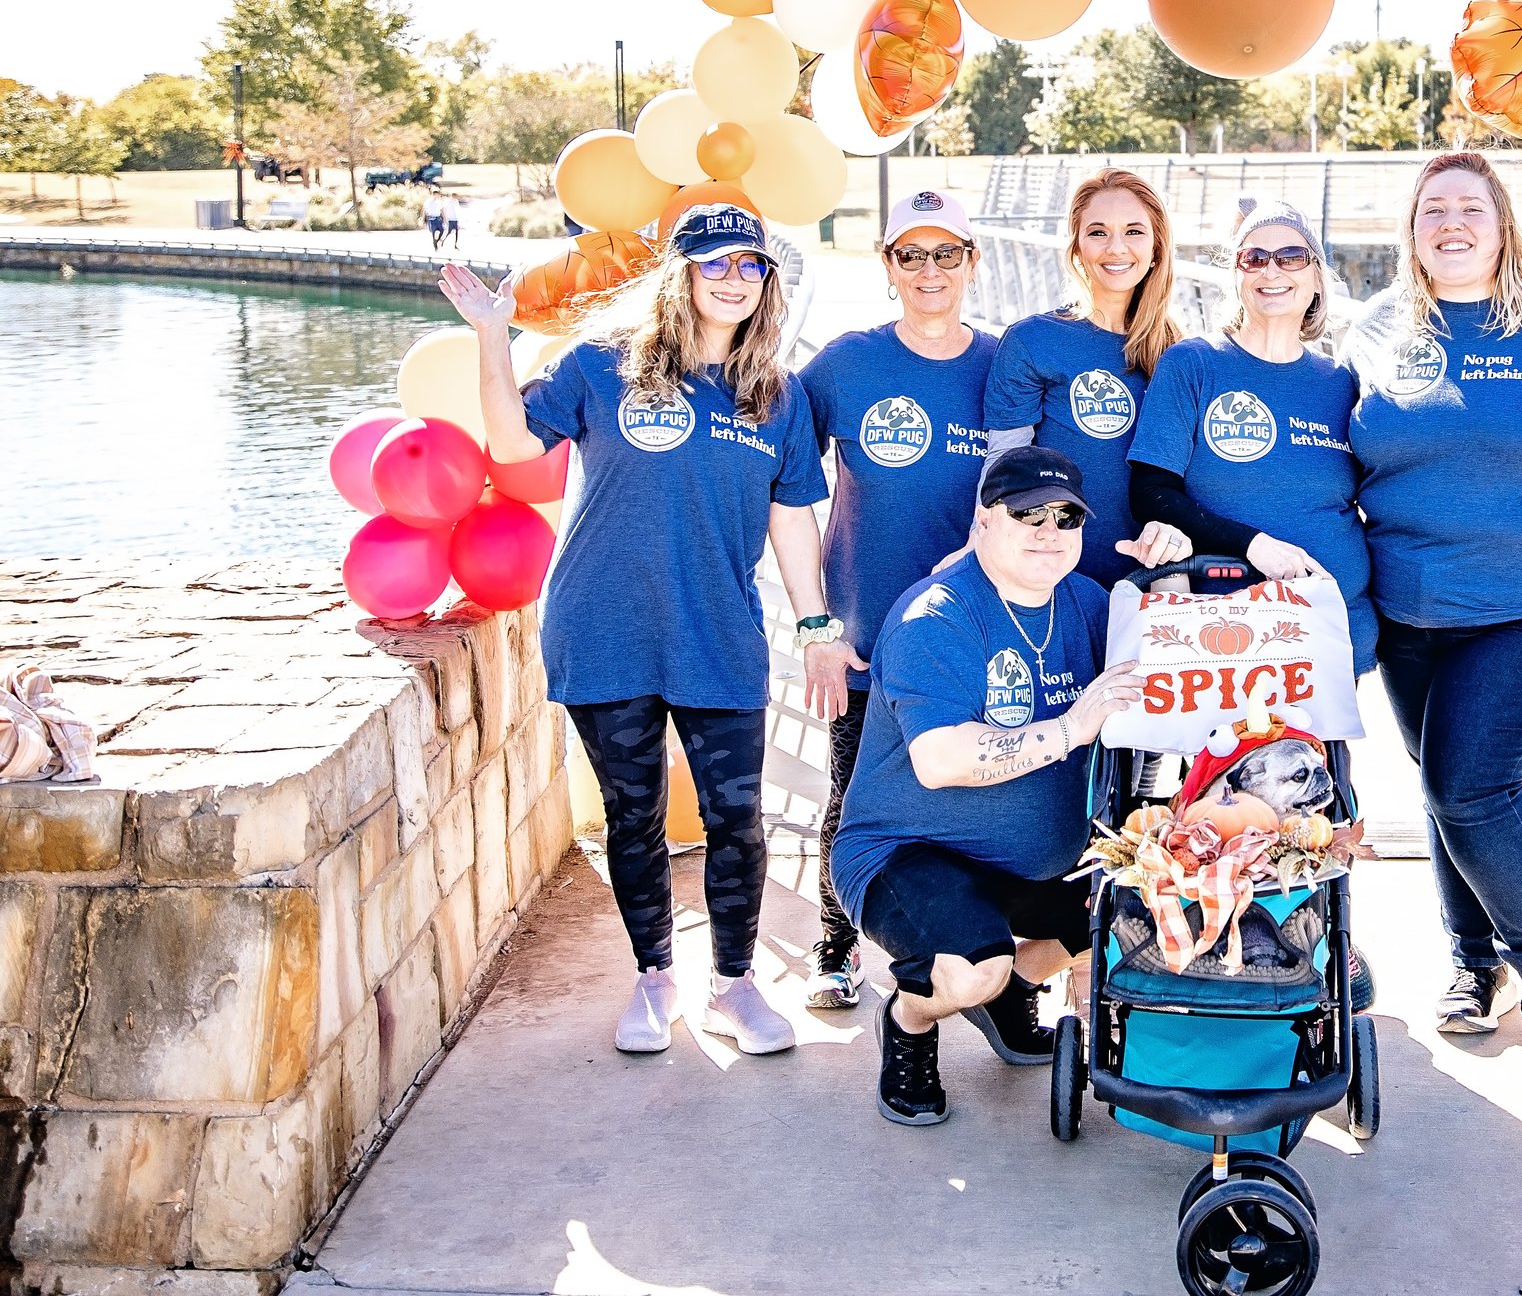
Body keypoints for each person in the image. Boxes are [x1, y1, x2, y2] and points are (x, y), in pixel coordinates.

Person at [439, 201, 844, 1058]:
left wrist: (815, 624)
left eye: (750, 265)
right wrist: (491, 332)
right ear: (681, 274)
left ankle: (733, 987)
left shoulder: (775, 393)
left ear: (767, 282)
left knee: (738, 819)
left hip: (718, 630)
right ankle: (654, 978)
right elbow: (512, 445)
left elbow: (794, 520)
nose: (734, 279)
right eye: (715, 263)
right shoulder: (599, 367)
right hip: (603, 625)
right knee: (636, 817)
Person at [1343, 151, 1522, 1058]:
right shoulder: (1374, 330)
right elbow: (1325, 462)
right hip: (1412, 608)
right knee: (1442, 789)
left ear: (1503, 223)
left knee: (1472, 786)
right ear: (1411, 230)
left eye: (1470, 207)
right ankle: (1473, 960)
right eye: (1432, 210)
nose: (1451, 224)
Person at [829, 447, 1189, 1126]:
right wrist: (1071, 728)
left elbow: (1166, 674)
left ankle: (1011, 988)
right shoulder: (936, 614)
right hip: (910, 853)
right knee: (967, 965)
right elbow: (939, 759)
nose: (1048, 532)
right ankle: (910, 1019)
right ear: (985, 521)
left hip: (1036, 862)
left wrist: (1166, 572)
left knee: (1147, 920)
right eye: (1027, 514)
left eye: (1065, 518)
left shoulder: (1088, 601)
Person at [793, 188, 994, 1011]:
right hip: (865, 633)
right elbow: (777, 482)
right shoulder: (845, 364)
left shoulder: (1004, 367)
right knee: (855, 795)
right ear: (888, 267)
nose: (930, 270)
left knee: (986, 793)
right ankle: (834, 949)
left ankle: (987, 957)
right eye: (911, 254)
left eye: (947, 253)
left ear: (972, 263)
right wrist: (815, 624)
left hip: (978, 634)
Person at [1128, 199, 1376, 674]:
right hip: (1223, 634)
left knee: (1321, 754)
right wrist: (1255, 544)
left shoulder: (1340, 382)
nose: (1271, 270)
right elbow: (1151, 494)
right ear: (1237, 275)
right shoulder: (1195, 364)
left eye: (1291, 256)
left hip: (1334, 633)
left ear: (1317, 276)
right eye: (1254, 258)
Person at [986, 168, 1181, 588]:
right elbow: (1004, 465)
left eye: (1133, 231)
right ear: (1076, 246)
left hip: (1158, 579)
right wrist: (980, 547)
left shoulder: (1179, 352)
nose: (1116, 248)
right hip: (1053, 579)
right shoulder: (1034, 340)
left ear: (1156, 246)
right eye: (1097, 232)